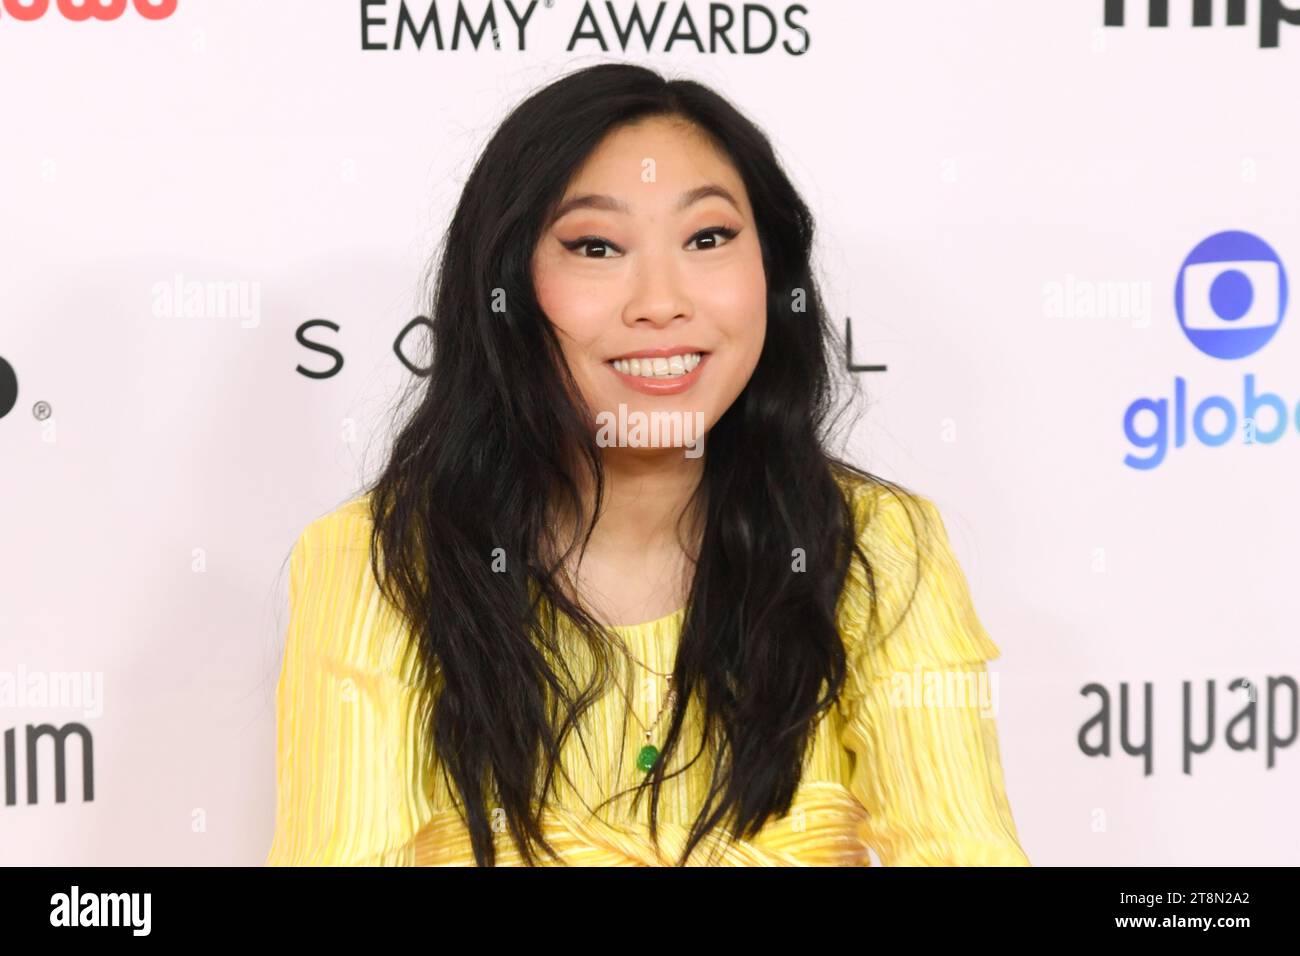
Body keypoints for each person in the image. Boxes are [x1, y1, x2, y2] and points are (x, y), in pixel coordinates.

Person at [265, 62, 1031, 867]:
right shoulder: (380, 560)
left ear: (771, 275)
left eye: (708, 239)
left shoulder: (876, 544)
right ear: (509, 289)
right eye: (597, 246)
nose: (662, 301)